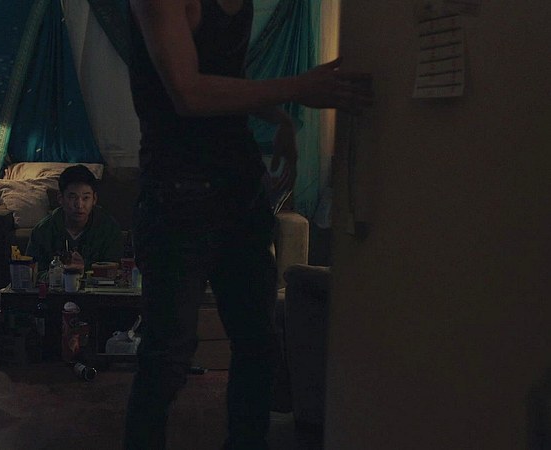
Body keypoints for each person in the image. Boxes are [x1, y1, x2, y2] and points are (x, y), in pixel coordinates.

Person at [123, 1, 372, 449]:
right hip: (179, 196)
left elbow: (221, 76)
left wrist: (278, 117)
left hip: (240, 190)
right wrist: (297, 88)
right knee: (167, 358)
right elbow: (188, 93)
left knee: (258, 346)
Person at [25, 164, 124, 274]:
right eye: (72, 197)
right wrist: (59, 272)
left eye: (86, 198)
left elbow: (117, 270)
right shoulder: (43, 231)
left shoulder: (108, 229)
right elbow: (31, 273)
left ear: (94, 199)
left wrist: (86, 268)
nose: (79, 205)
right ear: (60, 198)